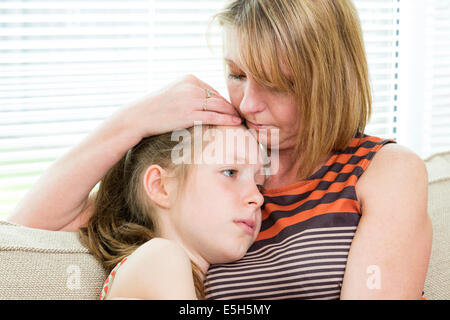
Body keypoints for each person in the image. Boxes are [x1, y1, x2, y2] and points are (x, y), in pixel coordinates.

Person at [8, 0, 432, 299]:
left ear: (329, 84)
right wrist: (133, 120)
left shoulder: (384, 171)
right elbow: (23, 234)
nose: (248, 104)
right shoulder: (210, 159)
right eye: (237, 73)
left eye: (278, 85)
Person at [79, 124, 265, 299]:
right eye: (230, 172)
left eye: (259, 186)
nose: (258, 198)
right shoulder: (161, 257)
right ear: (161, 186)